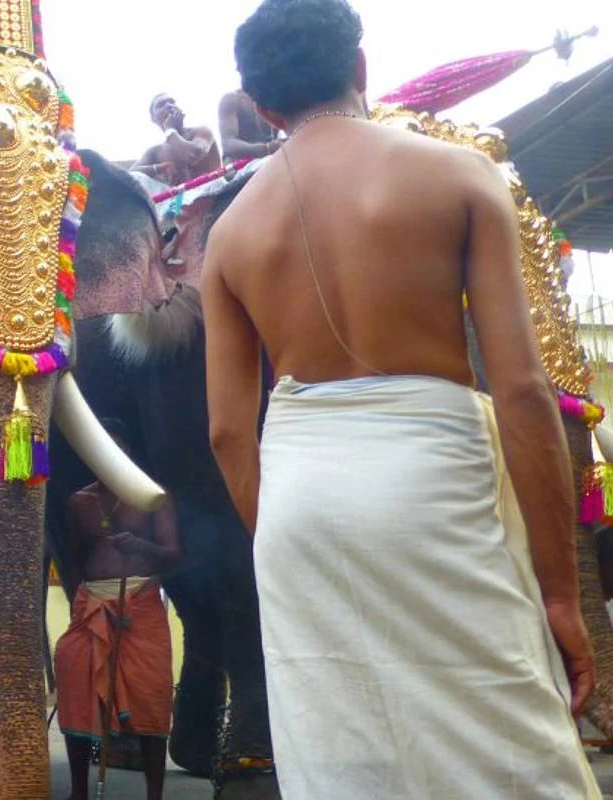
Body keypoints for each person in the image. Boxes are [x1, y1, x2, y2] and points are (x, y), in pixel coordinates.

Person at [202, 1, 598, 796]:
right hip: (433, 480)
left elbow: (227, 434)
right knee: (508, 742)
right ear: (360, 67)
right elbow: (523, 391)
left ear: (263, 108)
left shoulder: (229, 233)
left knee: (346, 754)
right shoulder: (458, 175)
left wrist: (285, 533)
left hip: (296, 503)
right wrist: (560, 593)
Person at [55, 435, 180, 800]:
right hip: (92, 606)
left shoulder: (153, 496)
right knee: (76, 684)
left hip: (141, 605)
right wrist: (82, 604)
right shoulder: (80, 502)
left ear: (127, 454)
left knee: (151, 696)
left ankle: (154, 794)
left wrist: (142, 547)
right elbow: (72, 560)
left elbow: (173, 553)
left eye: (117, 451)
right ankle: (80, 792)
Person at [133, 93, 220, 185]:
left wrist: (170, 130)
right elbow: (132, 173)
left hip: (217, 191)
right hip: (180, 194)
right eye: (161, 104)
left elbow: (193, 155)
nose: (169, 105)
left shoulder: (201, 131)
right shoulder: (156, 151)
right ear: (153, 119)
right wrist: (157, 168)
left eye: (172, 102)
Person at [216, 89, 282, 163]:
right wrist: (266, 149)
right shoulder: (231, 99)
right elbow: (228, 145)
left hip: (272, 161)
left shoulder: (273, 99)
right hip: (242, 166)